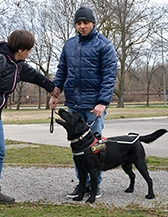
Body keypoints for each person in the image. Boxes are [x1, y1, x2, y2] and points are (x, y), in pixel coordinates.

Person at [0, 30, 61, 213]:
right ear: (21, 48)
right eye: (29, 49)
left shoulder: (17, 64)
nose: (29, 52)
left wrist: (52, 88)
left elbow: (35, 76)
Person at [49, 6, 117, 199]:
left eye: (85, 22)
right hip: (74, 105)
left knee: (95, 149)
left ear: (93, 23)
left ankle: (95, 186)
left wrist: (103, 102)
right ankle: (82, 186)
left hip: (94, 106)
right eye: (79, 23)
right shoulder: (69, 45)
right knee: (77, 149)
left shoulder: (105, 45)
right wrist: (55, 93)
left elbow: (109, 77)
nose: (82, 26)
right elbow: (62, 70)